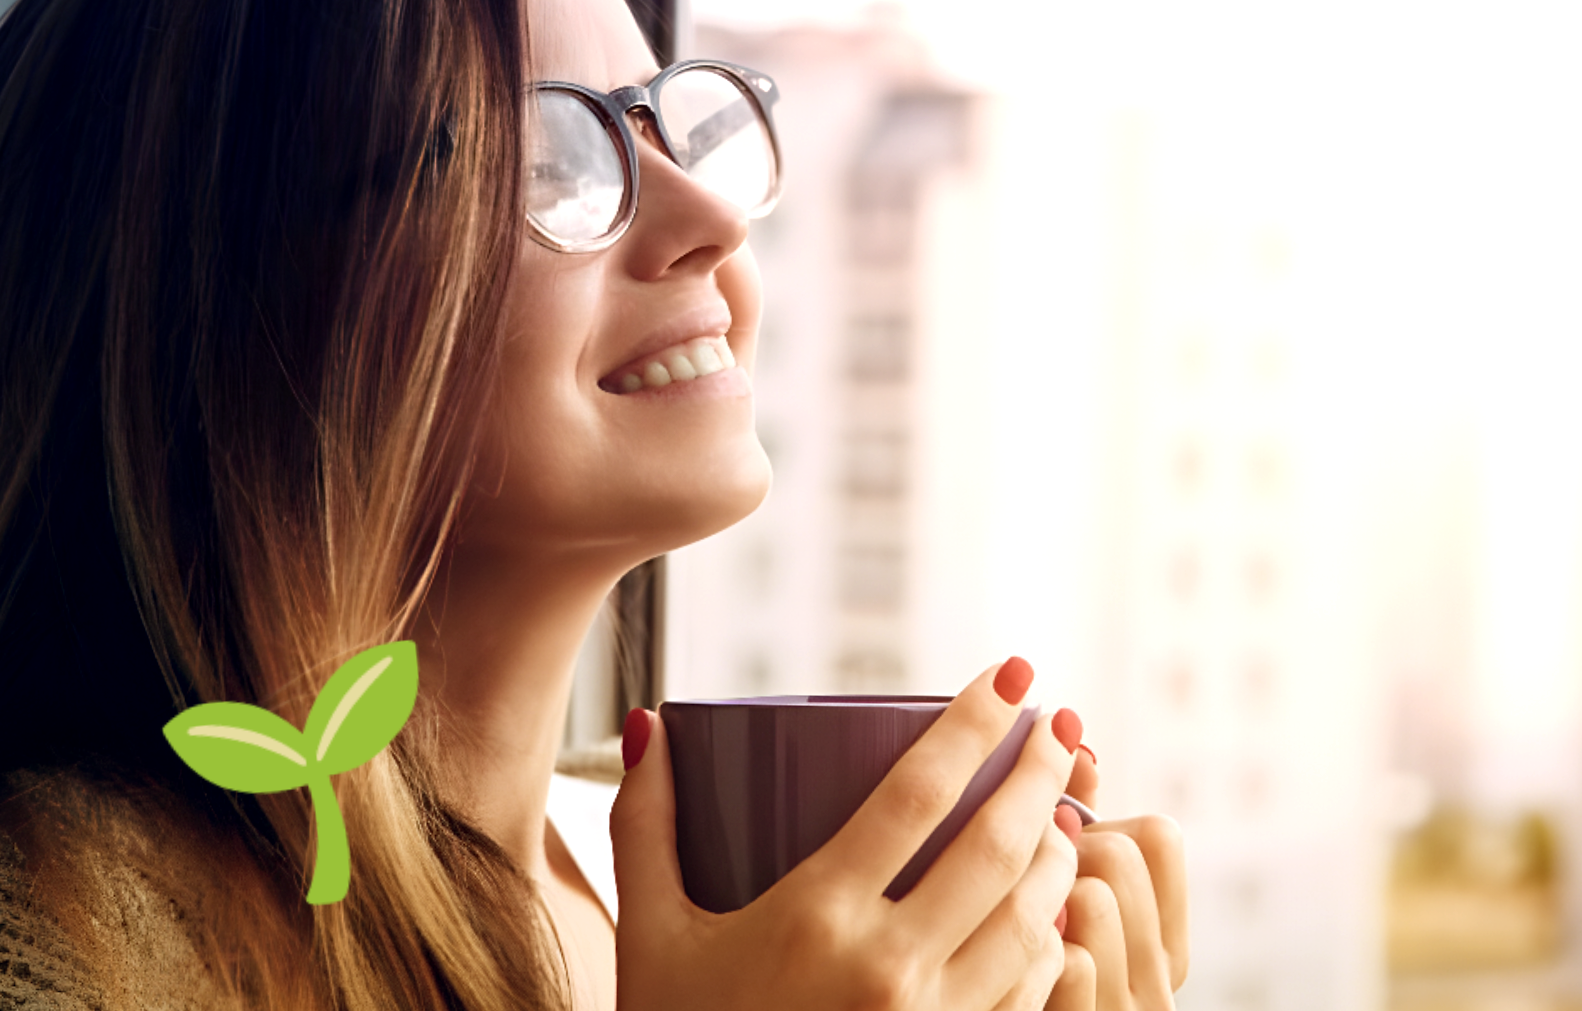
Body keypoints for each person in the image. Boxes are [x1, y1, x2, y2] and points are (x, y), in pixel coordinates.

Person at [0, 0, 1189, 1007]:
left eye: (671, 122)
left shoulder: (730, 893)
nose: (712, 221)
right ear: (221, 301)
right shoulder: (58, 933)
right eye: (546, 161)